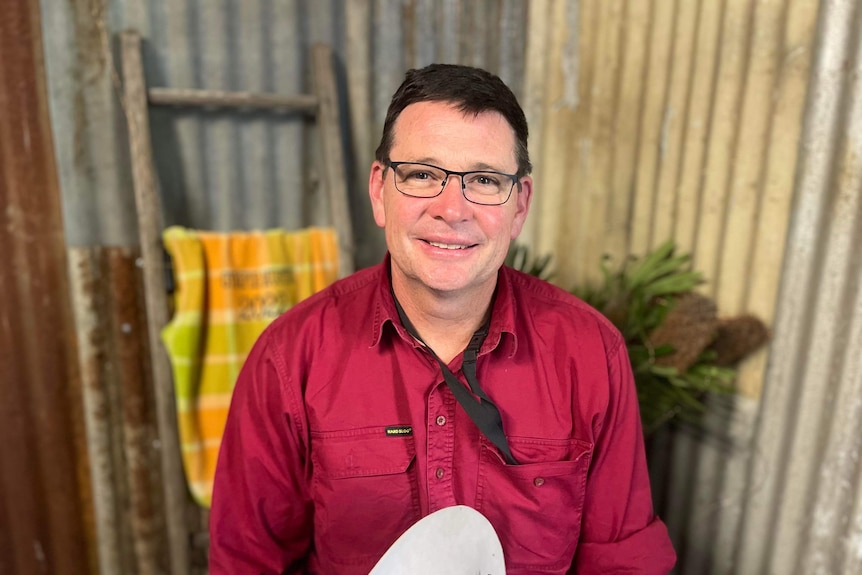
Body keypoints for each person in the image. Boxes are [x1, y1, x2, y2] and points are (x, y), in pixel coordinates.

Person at [208, 63, 677, 575]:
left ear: (519, 205)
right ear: (379, 189)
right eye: (423, 175)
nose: (452, 209)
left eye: (483, 179)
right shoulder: (289, 359)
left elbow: (623, 560)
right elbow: (247, 561)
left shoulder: (590, 354)